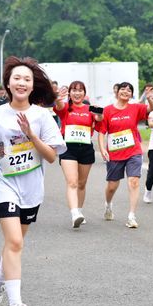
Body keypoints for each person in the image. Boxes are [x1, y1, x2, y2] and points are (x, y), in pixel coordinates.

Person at [0, 56, 65, 306]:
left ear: (32, 84)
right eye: (17, 78)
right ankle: (16, 305)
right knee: (14, 241)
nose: (22, 82)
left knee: (17, 243)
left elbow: (51, 156)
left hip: (31, 188)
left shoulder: (42, 116)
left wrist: (31, 135)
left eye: (27, 78)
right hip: (3, 184)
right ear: (8, 84)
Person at [97, 82, 153, 228]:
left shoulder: (136, 107)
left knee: (134, 182)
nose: (126, 92)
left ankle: (131, 216)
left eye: (129, 90)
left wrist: (149, 98)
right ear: (117, 92)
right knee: (112, 186)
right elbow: (102, 132)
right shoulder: (108, 110)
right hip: (115, 153)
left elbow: (151, 109)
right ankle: (108, 204)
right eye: (123, 89)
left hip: (133, 151)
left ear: (131, 94)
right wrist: (102, 149)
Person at [54, 80, 102, 228]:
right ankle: (74, 213)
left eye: (80, 90)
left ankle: (80, 211)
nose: (77, 93)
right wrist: (57, 97)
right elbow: (59, 106)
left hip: (86, 148)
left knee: (82, 183)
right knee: (72, 182)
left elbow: (99, 120)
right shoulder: (66, 107)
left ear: (84, 93)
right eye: (74, 90)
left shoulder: (90, 108)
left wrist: (99, 114)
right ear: (70, 93)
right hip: (68, 148)